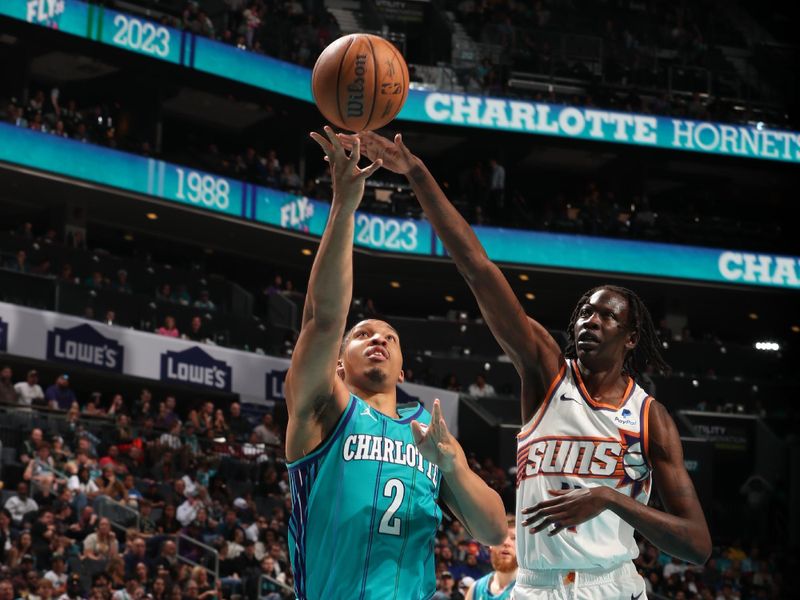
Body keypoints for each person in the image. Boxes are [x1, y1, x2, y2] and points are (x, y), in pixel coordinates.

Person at [344, 131, 711, 600]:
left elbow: (697, 544)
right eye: (583, 311)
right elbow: (477, 268)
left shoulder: (649, 418)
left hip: (611, 586)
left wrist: (609, 498)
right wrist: (417, 174)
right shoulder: (546, 370)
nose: (589, 320)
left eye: (606, 315)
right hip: (534, 587)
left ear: (632, 336)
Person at [284, 127, 506, 600]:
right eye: (363, 334)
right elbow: (323, 320)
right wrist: (345, 204)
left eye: (390, 337)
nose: (378, 339)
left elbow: (491, 530)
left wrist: (452, 467)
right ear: (338, 363)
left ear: (404, 369)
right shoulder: (323, 408)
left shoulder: (431, 434)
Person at [465, 518, 517, 600]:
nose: (506, 543)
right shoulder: (475, 589)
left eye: (513, 538)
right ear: (490, 545)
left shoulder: (531, 590)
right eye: (501, 536)